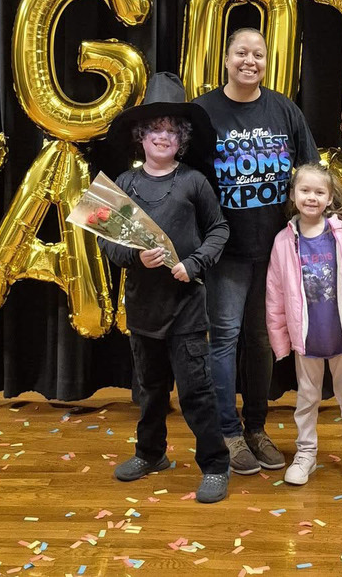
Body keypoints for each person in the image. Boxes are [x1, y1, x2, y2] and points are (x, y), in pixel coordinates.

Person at [99, 73, 231, 504]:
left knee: (195, 393)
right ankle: (150, 454)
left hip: (186, 308)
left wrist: (194, 264)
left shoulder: (193, 181)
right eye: (155, 129)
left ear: (182, 139)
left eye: (172, 130)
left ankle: (216, 465)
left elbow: (219, 229)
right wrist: (134, 257)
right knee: (150, 390)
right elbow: (107, 243)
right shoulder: (124, 184)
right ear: (141, 136)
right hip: (143, 309)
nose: (162, 136)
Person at [192, 28, 319, 474]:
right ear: (226, 59)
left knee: (262, 339)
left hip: (273, 249)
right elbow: (187, 182)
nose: (250, 61)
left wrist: (337, 224)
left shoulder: (284, 109)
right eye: (241, 53)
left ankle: (257, 428)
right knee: (225, 338)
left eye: (258, 54)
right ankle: (228, 433)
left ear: (267, 62)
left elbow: (310, 171)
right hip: (225, 251)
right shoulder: (203, 112)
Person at [265, 162, 342, 489]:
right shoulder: (283, 242)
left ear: (330, 198)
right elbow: (274, 294)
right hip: (307, 341)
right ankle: (305, 453)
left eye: (319, 192)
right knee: (306, 400)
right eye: (305, 190)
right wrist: (280, 342)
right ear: (293, 195)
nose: (311, 197)